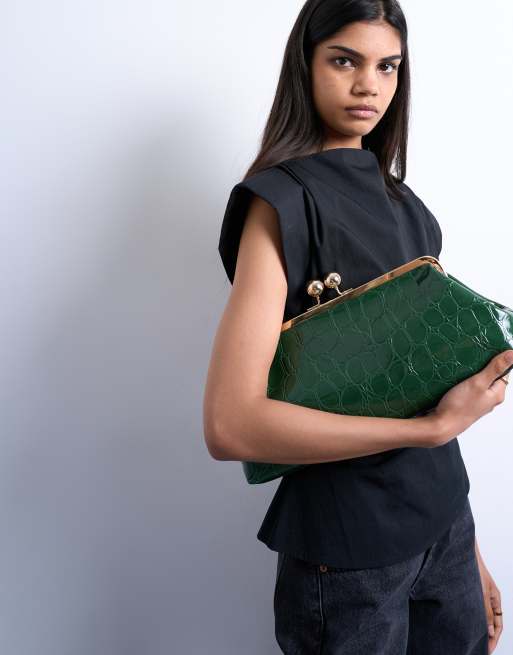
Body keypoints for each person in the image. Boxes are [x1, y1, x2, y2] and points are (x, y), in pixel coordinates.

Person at [203, 1, 510, 652]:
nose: (369, 84)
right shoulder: (280, 202)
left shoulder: (411, 210)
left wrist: (469, 551)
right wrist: (428, 429)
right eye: (344, 61)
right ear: (305, 65)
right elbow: (231, 425)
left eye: (387, 66)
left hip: (445, 529)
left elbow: (425, 390)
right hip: (348, 554)